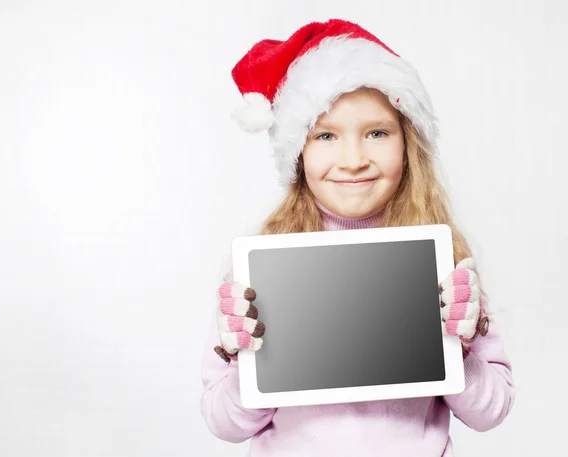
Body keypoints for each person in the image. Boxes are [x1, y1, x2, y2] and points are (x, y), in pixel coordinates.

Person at [200, 18, 515, 456]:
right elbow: (223, 421)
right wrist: (243, 364)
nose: (353, 160)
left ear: (408, 143)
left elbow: (492, 409)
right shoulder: (262, 269)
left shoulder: (443, 261)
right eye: (326, 135)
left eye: (377, 133)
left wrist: (457, 351)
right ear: (298, 152)